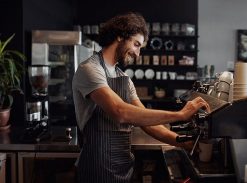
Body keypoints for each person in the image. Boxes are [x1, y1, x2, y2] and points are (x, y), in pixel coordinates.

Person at [72, 12, 210, 183]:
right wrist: (180, 114)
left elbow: (144, 120)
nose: (138, 54)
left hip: (123, 166)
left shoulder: (123, 78)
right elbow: (120, 112)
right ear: (121, 36)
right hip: (96, 167)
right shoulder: (90, 69)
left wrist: (183, 143)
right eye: (136, 44)